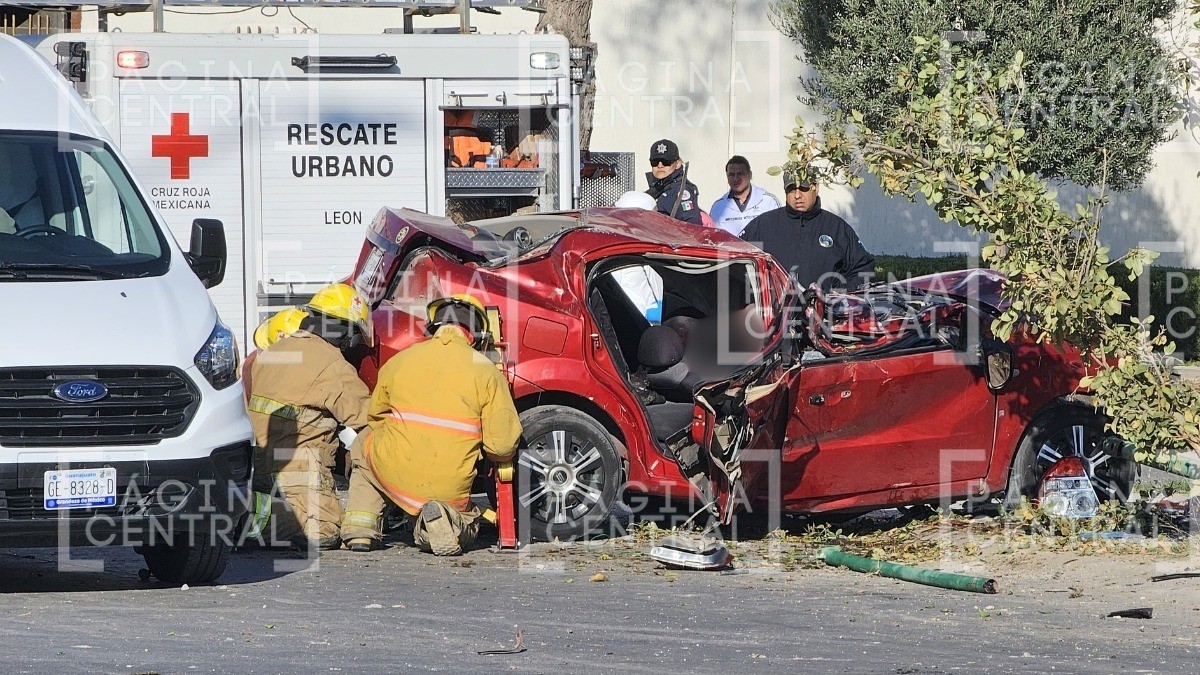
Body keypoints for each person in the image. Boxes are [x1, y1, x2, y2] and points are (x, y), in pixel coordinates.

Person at [341, 294, 522, 556]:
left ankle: (360, 529)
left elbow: (375, 417)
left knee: (363, 445)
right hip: (448, 487)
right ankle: (440, 524)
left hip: (392, 470)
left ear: (433, 326)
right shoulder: (486, 372)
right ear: (477, 334)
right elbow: (502, 445)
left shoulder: (400, 361)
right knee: (465, 520)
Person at [244, 283, 372, 549]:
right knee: (324, 529)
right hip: (299, 473)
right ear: (347, 333)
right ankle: (247, 525)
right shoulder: (333, 365)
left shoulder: (273, 351)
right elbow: (370, 419)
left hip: (256, 469)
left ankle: (249, 515)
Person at [741, 173, 875, 292]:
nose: (797, 195)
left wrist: (839, 295)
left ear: (815, 187)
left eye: (803, 188)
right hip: (776, 315)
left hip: (825, 315)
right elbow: (734, 262)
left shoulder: (836, 227)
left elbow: (863, 268)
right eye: (791, 189)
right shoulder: (763, 225)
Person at [708, 156, 781, 237]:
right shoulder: (718, 207)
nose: (736, 179)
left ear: (749, 175)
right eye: (731, 175)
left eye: (740, 174)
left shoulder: (769, 202)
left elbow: (779, 233)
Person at [645, 139, 702, 225]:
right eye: (655, 162)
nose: (660, 166)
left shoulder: (681, 190)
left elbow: (692, 228)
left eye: (666, 162)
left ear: (678, 163)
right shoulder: (658, 188)